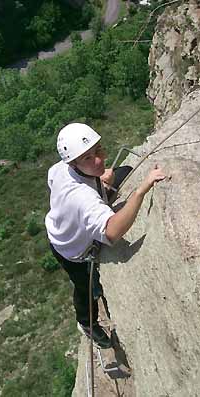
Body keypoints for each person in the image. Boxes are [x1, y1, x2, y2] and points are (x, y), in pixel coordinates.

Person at [45, 123, 166, 348]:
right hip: (71, 251)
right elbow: (112, 233)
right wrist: (141, 190)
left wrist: (99, 181)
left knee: (125, 171)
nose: (99, 160)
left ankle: (103, 182)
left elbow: (53, 180)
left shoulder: (60, 168)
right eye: (89, 158)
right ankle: (86, 323)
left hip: (60, 226)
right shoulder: (81, 198)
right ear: (73, 163)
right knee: (86, 288)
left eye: (98, 150)